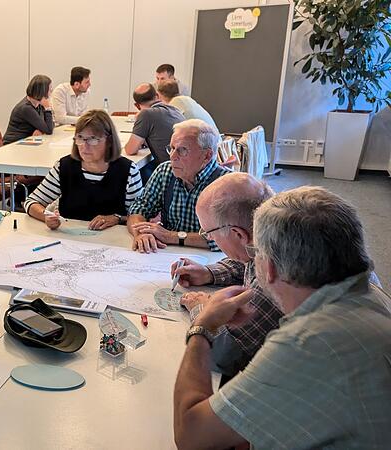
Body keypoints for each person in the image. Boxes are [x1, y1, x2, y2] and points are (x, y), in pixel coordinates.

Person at [173, 186, 391, 449]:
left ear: (270, 267)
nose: (252, 261)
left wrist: (202, 327)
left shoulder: (305, 344)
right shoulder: (368, 290)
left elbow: (191, 436)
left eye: (256, 255)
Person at [170, 173, 283, 377]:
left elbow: (220, 354)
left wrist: (202, 310)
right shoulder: (270, 232)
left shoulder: (274, 278)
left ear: (238, 234)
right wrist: (208, 273)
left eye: (209, 233)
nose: (209, 238)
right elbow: (247, 259)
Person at [24, 110, 142, 230]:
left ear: (109, 141)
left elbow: (139, 216)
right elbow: (31, 202)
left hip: (112, 241)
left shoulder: (128, 171)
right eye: (80, 138)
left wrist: (117, 218)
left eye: (92, 139)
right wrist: (46, 216)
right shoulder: (64, 167)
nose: (84, 146)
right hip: (69, 239)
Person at [127, 119, 227, 253]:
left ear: (207, 155)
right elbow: (138, 209)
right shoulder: (165, 172)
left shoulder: (225, 184)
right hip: (166, 255)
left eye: (182, 150)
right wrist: (141, 233)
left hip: (209, 261)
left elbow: (225, 239)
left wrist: (170, 236)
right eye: (172, 148)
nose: (173, 157)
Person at [123, 83, 185, 179]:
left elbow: (130, 150)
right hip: (185, 168)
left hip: (171, 173)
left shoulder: (146, 114)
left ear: (136, 105)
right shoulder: (175, 110)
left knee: (137, 171)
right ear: (157, 96)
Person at [2, 74, 54, 144]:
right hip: (13, 144)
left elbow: (51, 124)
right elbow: (49, 130)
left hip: (27, 141)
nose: (51, 92)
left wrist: (41, 130)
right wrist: (48, 108)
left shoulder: (38, 104)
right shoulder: (26, 108)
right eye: (50, 90)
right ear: (42, 91)